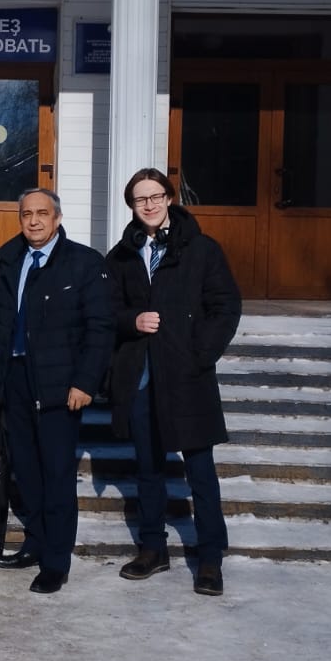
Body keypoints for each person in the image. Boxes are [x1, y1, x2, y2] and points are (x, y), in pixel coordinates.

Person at [106, 168, 241, 595]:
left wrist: (200, 353)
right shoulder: (122, 256)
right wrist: (132, 320)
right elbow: (107, 311)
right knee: (148, 469)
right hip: (142, 377)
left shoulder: (200, 249)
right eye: (139, 199)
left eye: (155, 196)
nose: (148, 205)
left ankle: (210, 558)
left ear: (168, 198)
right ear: (132, 206)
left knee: (200, 471)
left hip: (187, 376)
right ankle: (153, 548)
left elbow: (225, 305)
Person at [0, 189, 114, 594]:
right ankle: (36, 543)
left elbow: (100, 328)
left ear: (57, 218)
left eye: (42, 213)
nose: (34, 221)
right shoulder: (11, 260)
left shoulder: (83, 263)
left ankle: (56, 562)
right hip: (16, 379)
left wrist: (85, 382)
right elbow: (0, 326)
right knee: (26, 472)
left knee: (57, 474)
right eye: (27, 214)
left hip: (60, 385)